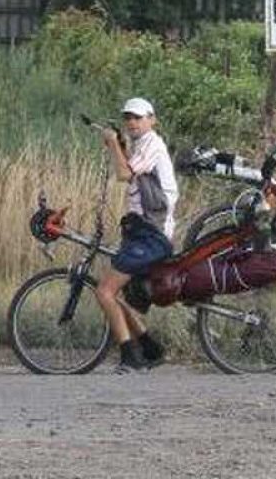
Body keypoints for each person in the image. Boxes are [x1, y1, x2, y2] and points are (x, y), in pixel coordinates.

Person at [92, 97, 179, 373]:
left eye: (138, 118)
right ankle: (150, 348)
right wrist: (119, 144)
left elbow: (122, 173)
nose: (132, 123)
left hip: (152, 234)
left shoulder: (152, 143)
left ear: (152, 120)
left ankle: (131, 358)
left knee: (104, 291)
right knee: (115, 293)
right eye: (128, 118)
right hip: (141, 230)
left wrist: (113, 144)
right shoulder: (140, 145)